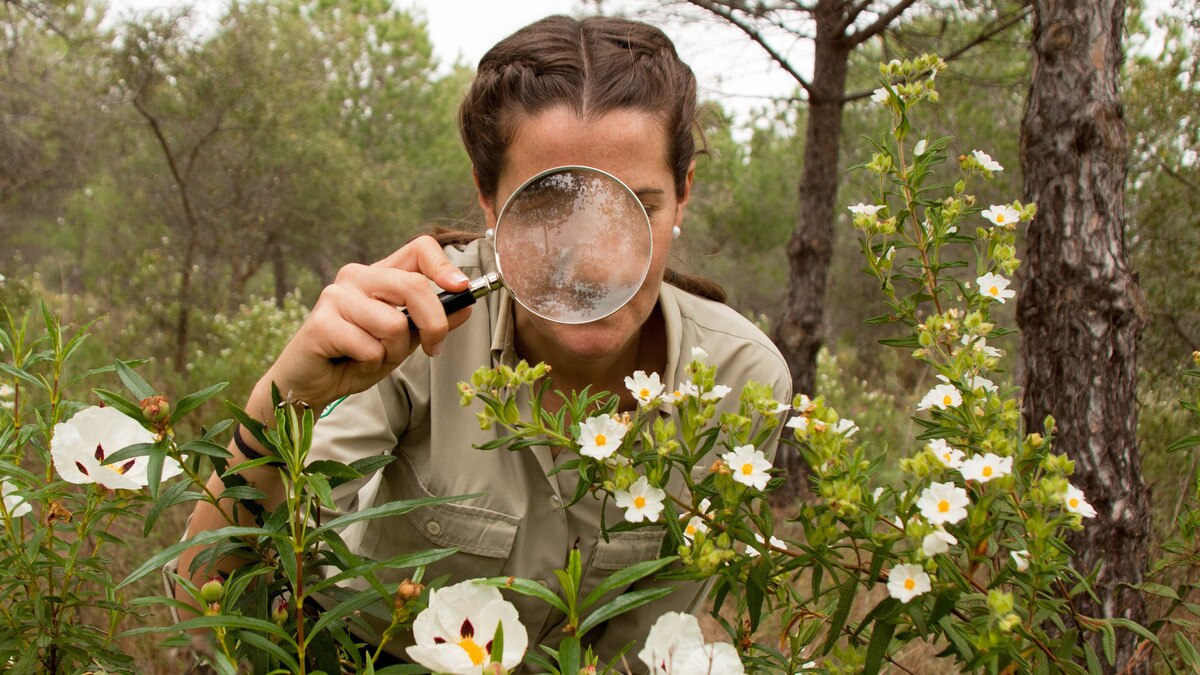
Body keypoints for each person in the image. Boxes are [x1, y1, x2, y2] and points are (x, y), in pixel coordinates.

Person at [174, 14, 791, 671]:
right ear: (489, 202)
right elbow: (210, 614)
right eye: (551, 209)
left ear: (685, 194)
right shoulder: (409, 327)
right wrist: (281, 403)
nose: (596, 265)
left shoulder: (741, 376)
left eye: (636, 207)